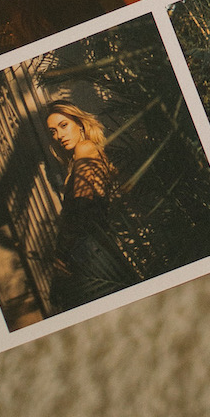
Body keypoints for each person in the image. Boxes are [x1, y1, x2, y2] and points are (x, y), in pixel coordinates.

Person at [45, 101, 139, 312]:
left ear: (80, 124)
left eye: (63, 125)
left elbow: (82, 203)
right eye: (52, 131)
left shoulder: (85, 147)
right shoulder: (81, 157)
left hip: (90, 249)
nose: (59, 135)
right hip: (91, 246)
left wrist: (61, 253)